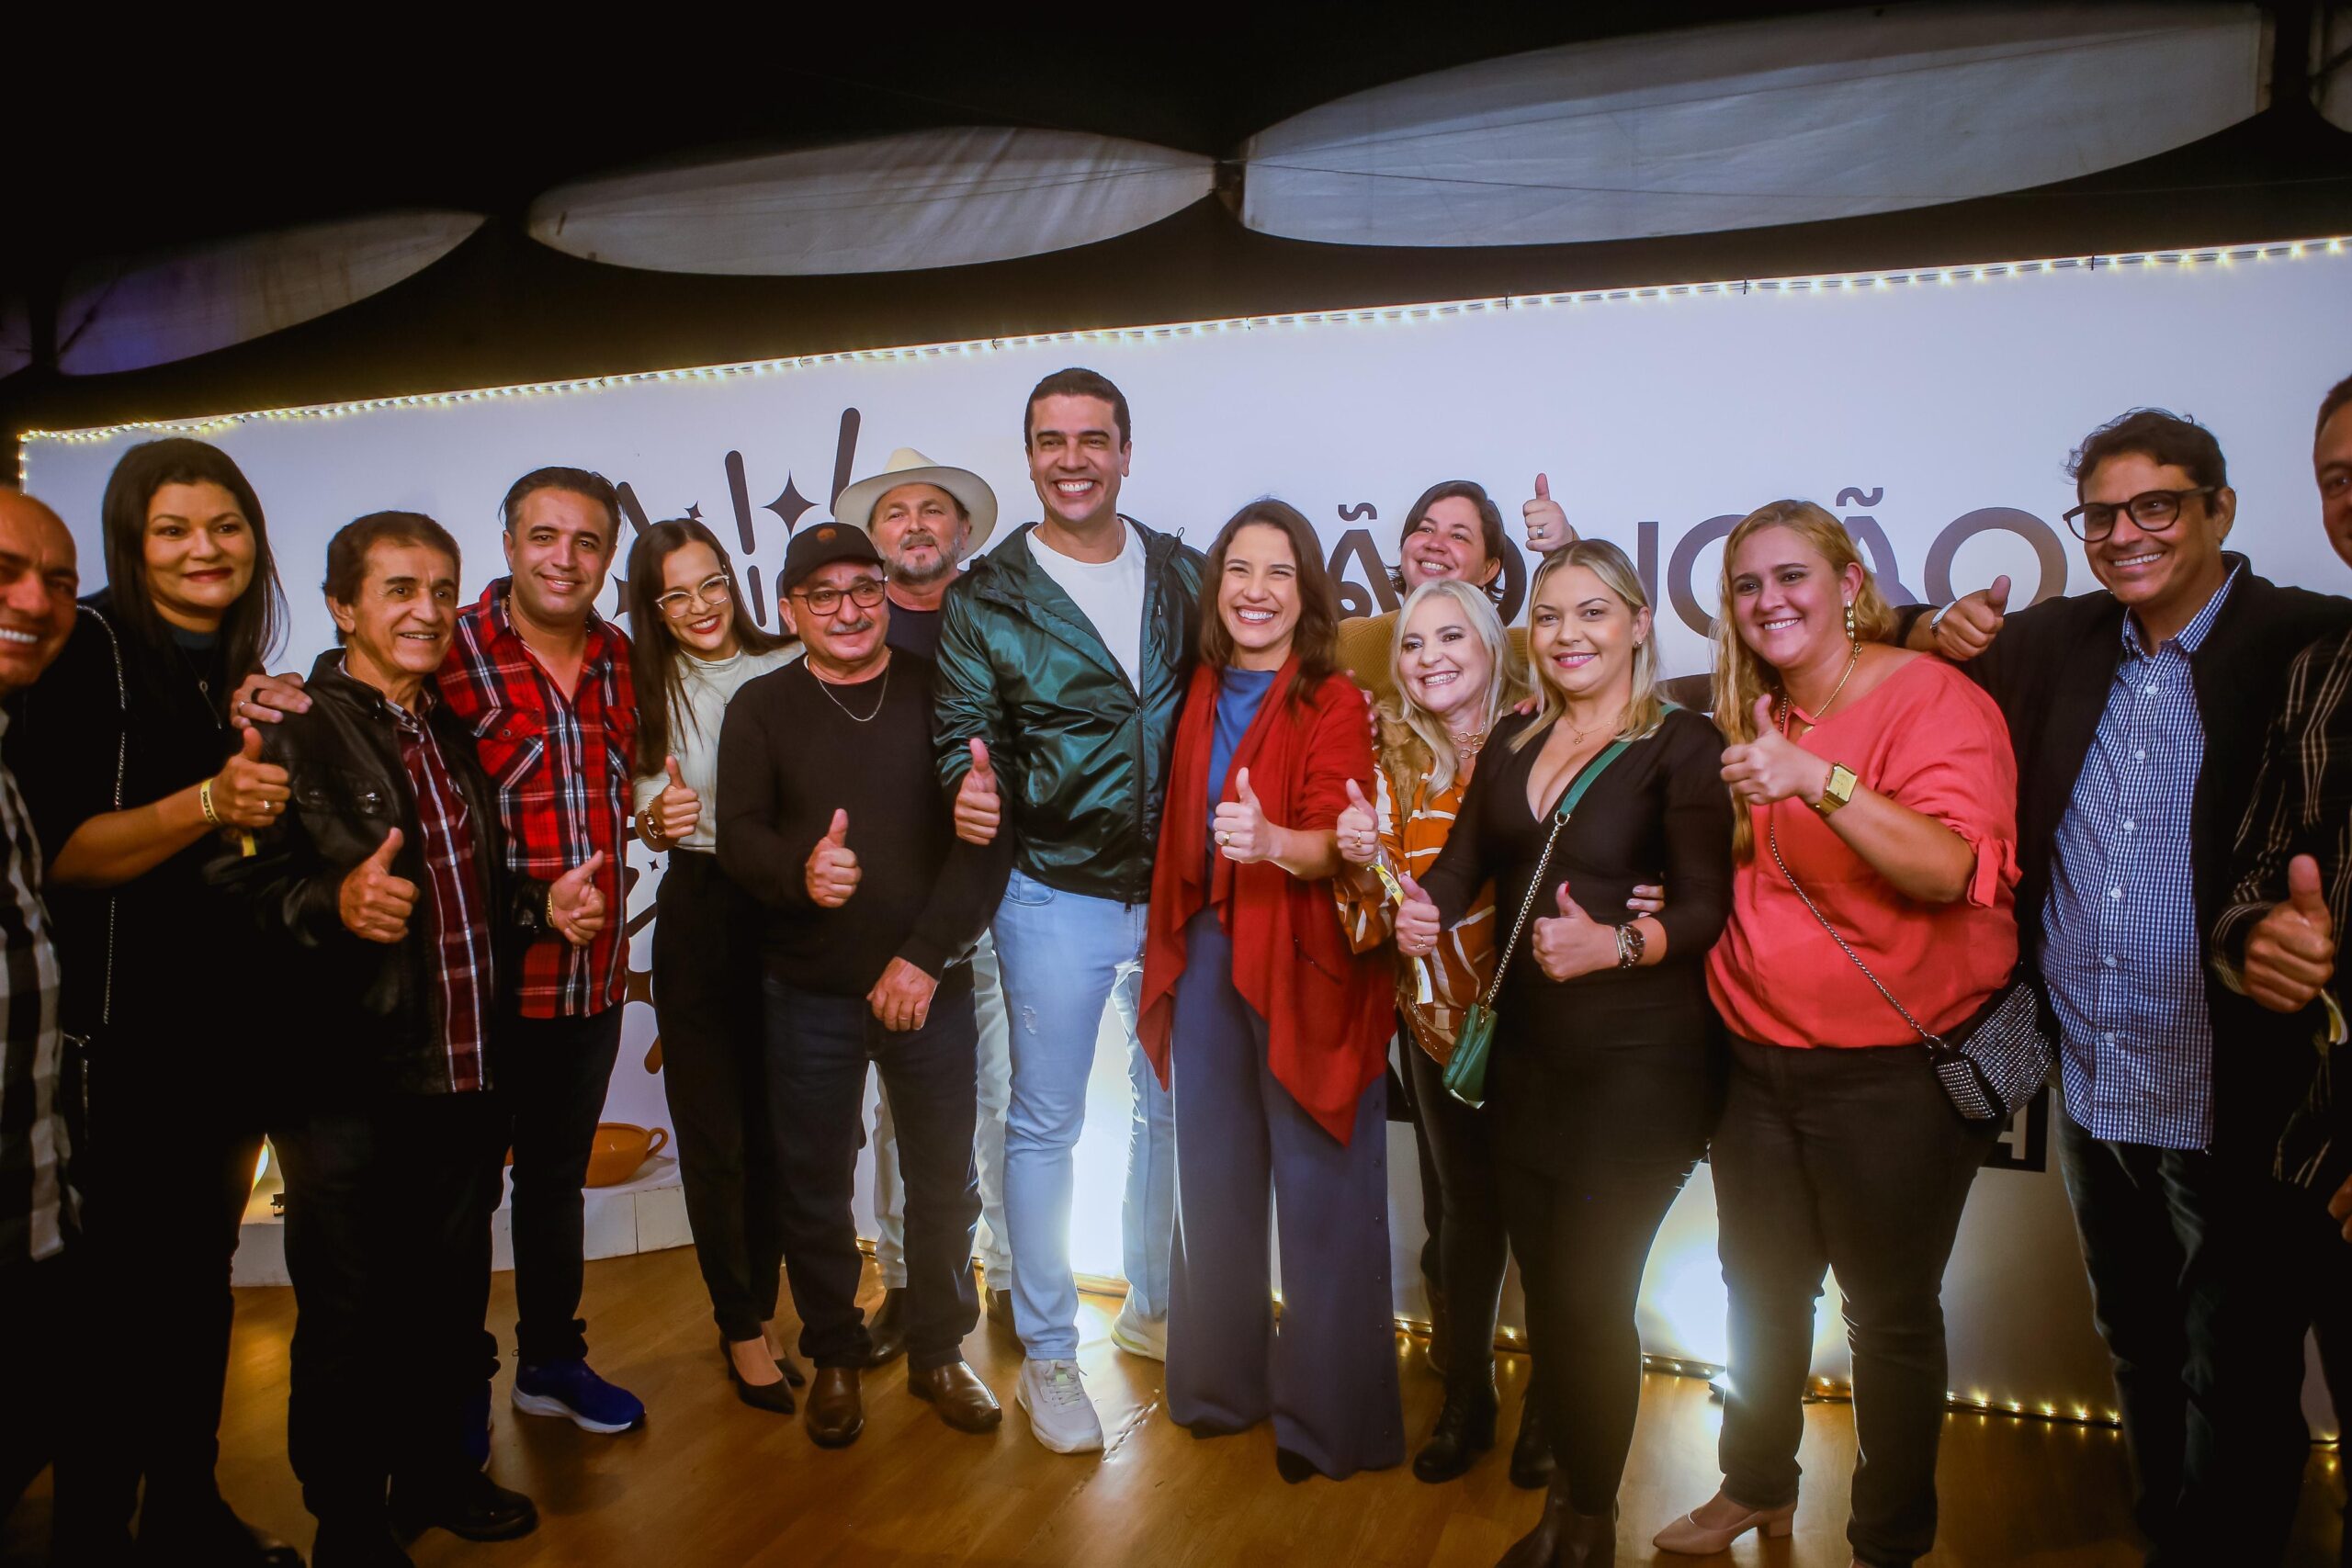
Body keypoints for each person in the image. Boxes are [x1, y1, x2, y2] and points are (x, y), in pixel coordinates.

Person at [1911, 410, 2352, 1565]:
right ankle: (2170, 1527)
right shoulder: (2059, 640)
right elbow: (1903, 638)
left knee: (2240, 1365)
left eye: (2154, 506)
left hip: (2236, 1083)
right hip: (2097, 1076)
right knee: (2137, 1341)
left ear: (2218, 511)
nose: (2123, 534)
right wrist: (1929, 620)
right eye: (2101, 515)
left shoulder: (2307, 637)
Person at [212, 513, 606, 1567]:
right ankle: (348, 1520)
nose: (426, 611)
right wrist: (329, 905)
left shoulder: (447, 730)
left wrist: (536, 905)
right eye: (398, 590)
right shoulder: (289, 728)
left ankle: (438, 1478)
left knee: (447, 1304)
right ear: (344, 607)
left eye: (441, 589)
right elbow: (232, 890)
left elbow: (456, 894)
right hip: (347, 1079)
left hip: (464, 1072)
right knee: (349, 1318)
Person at [1660, 502, 2018, 1568]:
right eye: (1745, 586)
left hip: (1892, 1078)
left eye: (1790, 577)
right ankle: (1756, 1487)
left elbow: (1947, 869)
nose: (1768, 601)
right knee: (1758, 1292)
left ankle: (1886, 1543)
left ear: (1849, 583)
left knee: (1889, 1318)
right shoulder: (1748, 709)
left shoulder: (1932, 699)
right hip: (1758, 1062)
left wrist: (1817, 781)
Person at [1391, 542, 1732, 1564]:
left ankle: (1587, 1520)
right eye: (1549, 617)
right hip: (1528, 1063)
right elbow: (1463, 865)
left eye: (1592, 613)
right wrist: (1423, 909)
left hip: (1641, 1069)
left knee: (1589, 1298)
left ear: (1636, 623)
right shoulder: (1510, 743)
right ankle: (1572, 1512)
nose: (1568, 635)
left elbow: (1710, 905)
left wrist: (1617, 943)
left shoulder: (1682, 746)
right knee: (1551, 1296)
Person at [6, 440, 303, 1566]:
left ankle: (184, 1506)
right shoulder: (82, 649)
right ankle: (95, 1533)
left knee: (195, 1297)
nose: (202, 549)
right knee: (112, 1318)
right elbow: (63, 855)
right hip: (113, 1054)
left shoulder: (228, 668)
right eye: (172, 529)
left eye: (223, 525)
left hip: (216, 1048)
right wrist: (209, 797)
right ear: (132, 546)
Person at [933, 368, 1203, 1451]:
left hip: (1182, 894)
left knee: (1175, 1113)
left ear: (1126, 451)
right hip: (1050, 891)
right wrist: (966, 778)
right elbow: (957, 728)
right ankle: (1049, 1355)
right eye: (1052, 440)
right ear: (1030, 456)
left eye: (1094, 439)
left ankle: (1156, 1313)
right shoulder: (985, 595)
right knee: (1044, 1125)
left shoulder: (1184, 571)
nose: (1073, 458)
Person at [717, 522, 1011, 1448]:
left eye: (863, 590)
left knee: (943, 1181)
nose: (848, 610)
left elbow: (984, 835)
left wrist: (923, 958)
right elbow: (738, 835)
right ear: (789, 609)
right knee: (812, 1181)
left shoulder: (940, 691)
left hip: (929, 981)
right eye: (824, 595)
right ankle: (836, 1354)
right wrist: (800, 872)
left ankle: (936, 1351)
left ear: (884, 595)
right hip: (806, 987)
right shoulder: (761, 706)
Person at [1136, 499, 1400, 1482]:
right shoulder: (1196, 685)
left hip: (1304, 958)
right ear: (1216, 590)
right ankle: (1218, 1391)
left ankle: (1329, 1423)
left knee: (1321, 1190)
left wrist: (1272, 843)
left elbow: (1344, 840)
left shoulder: (1333, 699)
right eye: (1238, 570)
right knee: (1209, 1183)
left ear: (1306, 593)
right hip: (1206, 950)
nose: (1255, 590)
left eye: (1277, 572)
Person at [1333, 577, 1540, 1485]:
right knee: (1463, 1217)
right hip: (1437, 1031)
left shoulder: (1548, 741)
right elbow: (1375, 906)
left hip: (1548, 1029)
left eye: (1450, 637)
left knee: (1548, 1222)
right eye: (1412, 644)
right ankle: (1468, 1395)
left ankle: (1557, 1405)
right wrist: (1355, 860)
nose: (1429, 659)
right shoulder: (1392, 763)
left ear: (1493, 646)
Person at [2208, 372, 2352, 1568]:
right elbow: (2255, 863)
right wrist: (2254, 936)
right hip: (2300, 1132)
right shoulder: (2322, 663)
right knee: (2253, 1422)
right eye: (2339, 477)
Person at [832, 448, 1017, 1352]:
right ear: (874, 539)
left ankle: (1021, 1281)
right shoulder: (848, 638)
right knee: (901, 1113)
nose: (913, 524)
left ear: (963, 531)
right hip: (900, 913)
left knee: (1011, 1099)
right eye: (895, 512)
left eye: (932, 510)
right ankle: (906, 1280)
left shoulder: (1005, 622)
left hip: (1007, 895)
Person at [624, 519, 803, 1409]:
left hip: (782, 908)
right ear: (653, 606)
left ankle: (762, 1311)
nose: (698, 606)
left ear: (733, 582)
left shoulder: (789, 663)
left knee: (776, 1133)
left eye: (711, 583)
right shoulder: (641, 688)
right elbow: (645, 810)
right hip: (697, 909)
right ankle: (737, 1324)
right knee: (715, 1138)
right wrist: (653, 820)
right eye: (675, 592)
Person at [0, 492, 82, 1555]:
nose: (33, 601)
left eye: (56, 582)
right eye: (9, 570)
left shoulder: (14, 760)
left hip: (28, 1194)